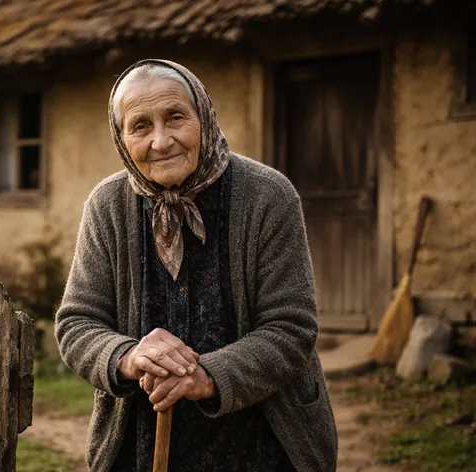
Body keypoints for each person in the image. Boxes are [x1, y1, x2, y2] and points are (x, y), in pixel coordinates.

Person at [54, 59, 338, 472]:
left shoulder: (269, 197)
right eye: (141, 126)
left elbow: (291, 327)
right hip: (139, 446)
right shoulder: (108, 206)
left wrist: (205, 376)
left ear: (203, 116)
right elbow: (78, 323)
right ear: (121, 137)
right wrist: (129, 357)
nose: (161, 141)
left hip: (262, 444)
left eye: (175, 118)